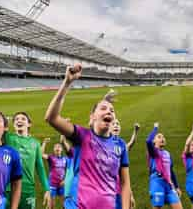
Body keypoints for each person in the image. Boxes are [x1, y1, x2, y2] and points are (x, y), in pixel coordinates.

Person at [45, 64, 131, 209]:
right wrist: (67, 83)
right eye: (103, 108)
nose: (109, 111)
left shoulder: (120, 145)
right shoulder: (82, 136)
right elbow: (51, 118)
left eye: (112, 110)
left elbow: (124, 183)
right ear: (92, 117)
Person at [0, 68, 51, 209]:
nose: (19, 120)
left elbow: (40, 167)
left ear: (29, 123)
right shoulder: (9, 138)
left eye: (23, 118)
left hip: (28, 190)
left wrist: (47, 188)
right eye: (16, 118)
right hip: (8, 189)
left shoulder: (35, 143)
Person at [146, 122, 183, 209]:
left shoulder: (167, 154)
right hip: (157, 182)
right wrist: (155, 128)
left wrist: (177, 187)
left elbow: (171, 171)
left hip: (169, 184)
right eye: (159, 137)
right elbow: (148, 141)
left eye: (163, 137)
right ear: (154, 141)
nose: (162, 138)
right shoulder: (153, 152)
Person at [41, 138, 68, 209]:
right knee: (51, 205)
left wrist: (65, 180)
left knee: (65, 204)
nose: (57, 148)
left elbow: (69, 171)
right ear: (54, 150)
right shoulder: (51, 157)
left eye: (59, 147)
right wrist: (44, 143)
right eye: (55, 147)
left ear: (62, 150)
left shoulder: (65, 159)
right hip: (52, 184)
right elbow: (41, 154)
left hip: (61, 184)